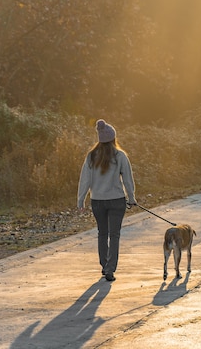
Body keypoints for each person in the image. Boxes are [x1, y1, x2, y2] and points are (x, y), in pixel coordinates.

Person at [77, 119, 137, 282]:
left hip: (97, 201)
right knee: (114, 235)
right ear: (113, 138)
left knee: (102, 233)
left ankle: (104, 265)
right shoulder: (120, 156)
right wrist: (131, 198)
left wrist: (81, 200)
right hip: (117, 200)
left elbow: (85, 180)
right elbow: (128, 180)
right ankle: (110, 269)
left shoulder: (91, 156)